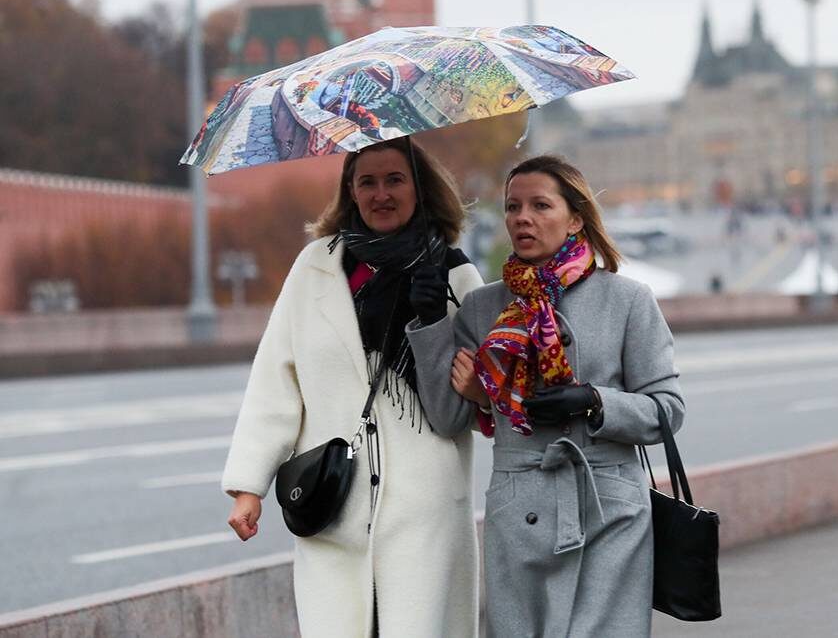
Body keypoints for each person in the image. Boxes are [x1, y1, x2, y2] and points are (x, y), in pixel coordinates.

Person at [408, 155, 685, 636]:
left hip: (609, 510)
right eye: (513, 206)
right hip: (520, 513)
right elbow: (448, 417)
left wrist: (593, 401)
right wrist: (432, 322)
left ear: (575, 217)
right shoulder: (482, 306)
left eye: (540, 205)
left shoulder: (628, 299)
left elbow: (667, 411)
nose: (522, 218)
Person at [221, 136, 483, 637]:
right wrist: (248, 486)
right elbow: (277, 377)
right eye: (367, 182)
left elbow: (473, 400)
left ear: (419, 188)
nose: (381, 193)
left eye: (394, 180)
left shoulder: (455, 274)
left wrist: (435, 318)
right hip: (334, 499)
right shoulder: (316, 267)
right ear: (350, 191)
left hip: (426, 510)